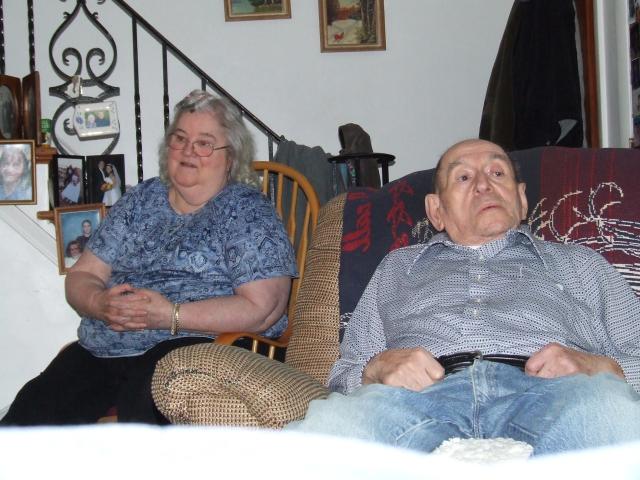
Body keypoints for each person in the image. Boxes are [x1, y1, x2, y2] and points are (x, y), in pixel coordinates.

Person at [287, 139, 640, 455]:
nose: (484, 184)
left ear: (521, 200)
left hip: (556, 398)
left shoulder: (581, 263)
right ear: (436, 211)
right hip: (417, 400)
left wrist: (597, 367)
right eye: (463, 177)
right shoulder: (397, 267)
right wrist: (377, 368)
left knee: (621, 420)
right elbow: (345, 373)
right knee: (324, 434)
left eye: (497, 173)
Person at [0, 89, 297, 425]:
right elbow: (82, 276)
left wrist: (171, 315)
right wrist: (99, 303)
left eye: (204, 143)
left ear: (231, 157)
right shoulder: (141, 199)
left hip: (196, 346)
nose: (188, 150)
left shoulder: (246, 210)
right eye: (179, 138)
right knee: (31, 413)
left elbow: (264, 309)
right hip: (106, 350)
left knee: (144, 402)